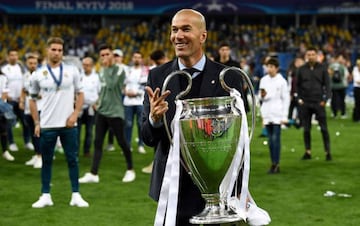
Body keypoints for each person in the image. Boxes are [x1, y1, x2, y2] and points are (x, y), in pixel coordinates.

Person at [141, 9, 270, 226]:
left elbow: (235, 144)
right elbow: (148, 138)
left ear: (203, 36)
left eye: (185, 29)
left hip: (218, 189)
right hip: (173, 190)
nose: (178, 36)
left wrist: (241, 192)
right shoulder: (158, 76)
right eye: (174, 30)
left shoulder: (227, 78)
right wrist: (154, 119)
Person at [29, 37, 89, 208]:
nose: (56, 53)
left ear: (63, 52)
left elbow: (81, 93)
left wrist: (75, 114)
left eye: (60, 50)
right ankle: (45, 195)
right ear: (47, 50)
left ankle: (76, 194)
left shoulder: (72, 71)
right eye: (53, 49)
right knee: (46, 161)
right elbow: (32, 100)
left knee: (73, 160)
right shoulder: (38, 74)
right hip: (47, 125)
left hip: (69, 125)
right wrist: (36, 122)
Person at [79, 44, 135, 184]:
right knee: (97, 142)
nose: (104, 57)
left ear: (112, 55)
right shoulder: (102, 71)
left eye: (107, 54)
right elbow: (103, 90)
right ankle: (93, 173)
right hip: (102, 111)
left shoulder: (119, 70)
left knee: (122, 142)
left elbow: (111, 85)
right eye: (102, 55)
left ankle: (130, 169)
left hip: (115, 111)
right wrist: (97, 102)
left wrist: (106, 67)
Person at [297, 46, 332, 161]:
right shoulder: (301, 69)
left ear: (317, 55)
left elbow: (327, 85)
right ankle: (308, 152)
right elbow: (297, 85)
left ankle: (327, 152)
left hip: (318, 102)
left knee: (324, 129)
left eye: (313, 54)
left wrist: (325, 99)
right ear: (306, 56)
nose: (311, 56)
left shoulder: (322, 68)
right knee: (306, 129)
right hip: (306, 102)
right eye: (309, 54)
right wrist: (300, 99)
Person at [259, 58, 290, 173]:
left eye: (272, 67)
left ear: (277, 68)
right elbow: (260, 96)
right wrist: (263, 96)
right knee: (270, 141)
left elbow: (286, 99)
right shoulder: (264, 80)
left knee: (275, 139)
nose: (270, 69)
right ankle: (273, 162)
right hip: (267, 112)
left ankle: (276, 163)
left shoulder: (282, 81)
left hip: (277, 113)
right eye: (268, 66)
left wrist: (284, 116)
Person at [142, 49, 169, 174]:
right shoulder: (155, 74)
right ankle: (156, 162)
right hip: (158, 112)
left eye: (159, 62)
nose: (159, 65)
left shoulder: (174, 72)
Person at [1, 48, 33, 152]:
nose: (14, 57)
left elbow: (25, 83)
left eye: (15, 55)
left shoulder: (21, 68)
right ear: (8, 57)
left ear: (18, 57)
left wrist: (22, 97)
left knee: (25, 121)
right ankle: (11, 143)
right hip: (9, 100)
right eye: (11, 55)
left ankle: (27, 142)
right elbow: (3, 84)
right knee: (9, 122)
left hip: (20, 100)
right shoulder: (4, 69)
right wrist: (6, 96)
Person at [123, 51, 148, 154]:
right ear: (132, 59)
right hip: (128, 102)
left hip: (139, 101)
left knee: (140, 124)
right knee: (128, 124)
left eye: (139, 57)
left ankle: (141, 145)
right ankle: (127, 145)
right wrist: (126, 92)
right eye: (135, 57)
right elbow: (123, 84)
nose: (137, 59)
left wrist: (136, 93)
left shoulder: (144, 71)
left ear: (141, 59)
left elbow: (145, 86)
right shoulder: (128, 71)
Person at [22, 52, 42, 168]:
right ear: (27, 64)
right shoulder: (25, 76)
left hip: (39, 107)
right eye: (30, 63)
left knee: (38, 133)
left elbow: (44, 92)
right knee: (31, 132)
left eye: (35, 63)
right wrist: (21, 101)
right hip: (27, 107)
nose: (33, 65)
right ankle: (36, 154)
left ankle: (41, 156)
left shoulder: (41, 75)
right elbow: (24, 89)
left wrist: (35, 94)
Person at [77, 57, 100, 157]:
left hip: (91, 107)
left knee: (89, 131)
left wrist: (97, 103)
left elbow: (100, 92)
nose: (85, 67)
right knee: (76, 131)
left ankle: (86, 151)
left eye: (87, 65)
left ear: (92, 66)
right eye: (84, 65)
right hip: (79, 107)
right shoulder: (79, 76)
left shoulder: (96, 78)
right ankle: (75, 151)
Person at [328, 54, 349, 119]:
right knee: (342, 100)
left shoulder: (331, 66)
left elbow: (329, 75)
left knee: (334, 99)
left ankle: (334, 113)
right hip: (341, 85)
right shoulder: (342, 66)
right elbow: (346, 75)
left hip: (333, 86)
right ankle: (343, 113)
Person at [0, 71, 15, 161]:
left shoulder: (3, 77)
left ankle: (5, 151)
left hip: (1, 107)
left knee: (3, 130)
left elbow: (4, 94)